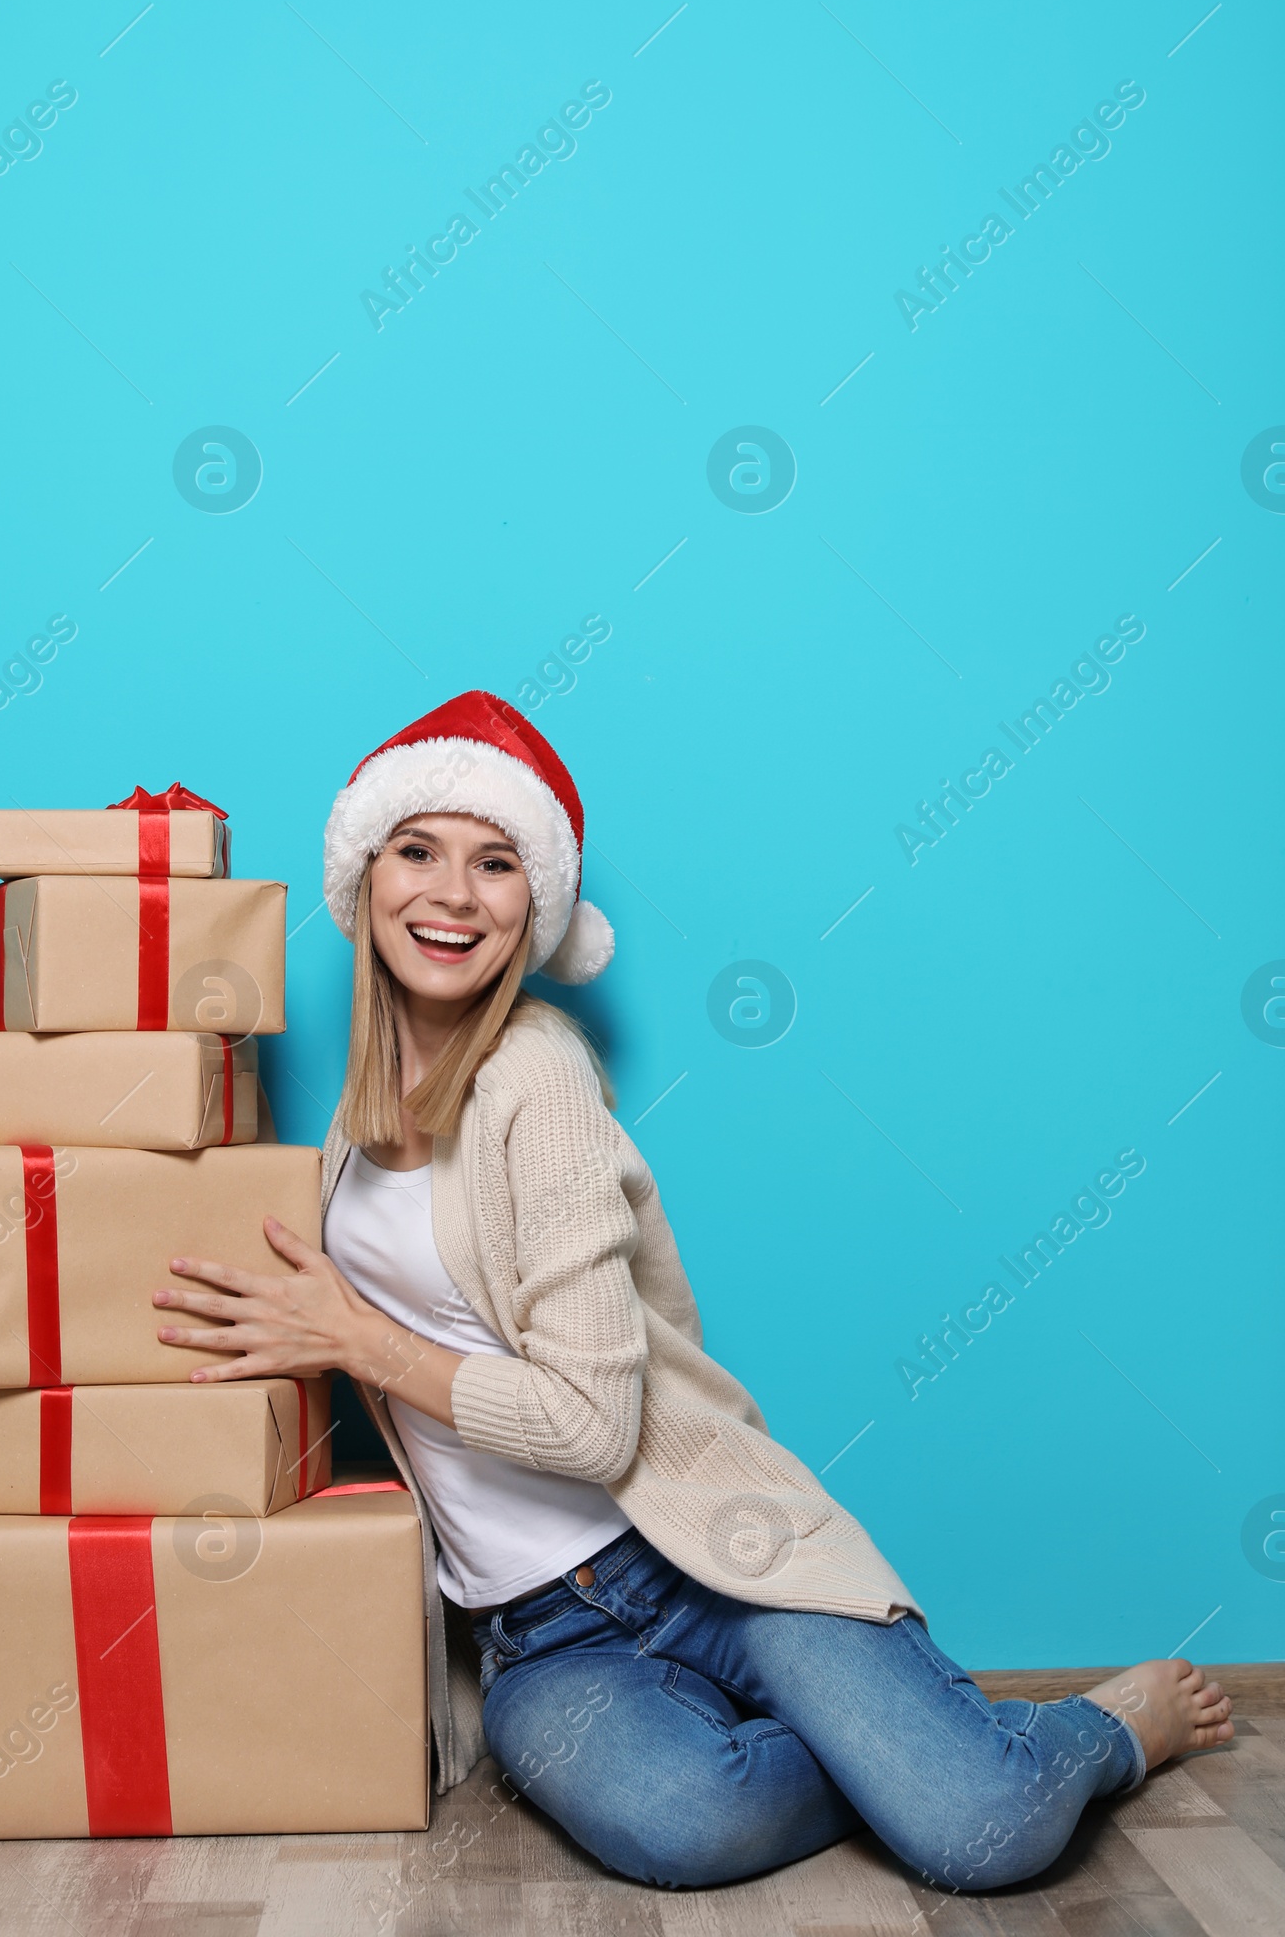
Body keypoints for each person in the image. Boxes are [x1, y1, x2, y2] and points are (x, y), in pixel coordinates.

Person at [153, 692, 1232, 1892]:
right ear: (362, 879)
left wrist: (357, 1338)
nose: (452, 894)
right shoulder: (342, 1146)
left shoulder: (537, 1077)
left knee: (984, 1830)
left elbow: (591, 1423)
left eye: (494, 863)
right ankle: (910, 1749)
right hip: (540, 1642)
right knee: (683, 1829)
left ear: (534, 906)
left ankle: (1102, 1728)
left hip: (705, 1556)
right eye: (418, 851)